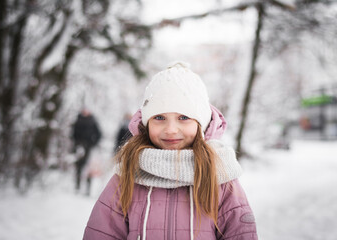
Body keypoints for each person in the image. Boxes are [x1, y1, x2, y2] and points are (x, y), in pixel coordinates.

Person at [83, 62, 258, 239]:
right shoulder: (128, 175)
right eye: (159, 117)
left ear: (202, 124)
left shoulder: (220, 177)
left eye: (183, 117)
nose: (171, 129)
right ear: (146, 123)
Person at [71, 109, 102, 192]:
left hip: (89, 147)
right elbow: (73, 134)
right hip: (79, 147)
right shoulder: (78, 120)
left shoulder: (92, 121)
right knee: (79, 166)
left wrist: (93, 143)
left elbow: (99, 134)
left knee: (89, 168)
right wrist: (76, 143)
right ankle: (77, 186)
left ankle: (88, 189)